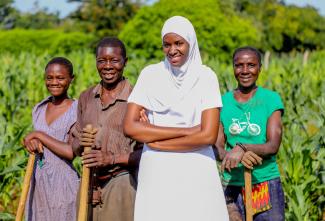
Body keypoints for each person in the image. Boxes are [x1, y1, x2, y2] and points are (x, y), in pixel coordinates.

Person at [123, 16, 229, 221]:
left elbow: (207, 136)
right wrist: (188, 130)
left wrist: (155, 140)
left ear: (191, 42)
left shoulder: (206, 77)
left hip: (197, 169)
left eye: (179, 43)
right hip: (157, 171)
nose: (172, 50)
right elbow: (129, 126)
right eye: (167, 44)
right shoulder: (150, 74)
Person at [71, 37, 142, 221]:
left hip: (122, 185)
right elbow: (75, 146)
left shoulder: (137, 99)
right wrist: (81, 142)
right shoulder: (86, 97)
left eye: (115, 60)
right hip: (88, 183)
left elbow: (148, 152)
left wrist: (110, 159)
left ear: (125, 62)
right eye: (102, 61)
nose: (108, 66)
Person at [216, 46, 285, 221]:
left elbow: (273, 145)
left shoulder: (270, 100)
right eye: (239, 65)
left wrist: (242, 148)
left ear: (260, 68)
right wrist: (234, 156)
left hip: (264, 183)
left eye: (251, 65)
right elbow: (216, 147)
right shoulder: (222, 102)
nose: (245, 70)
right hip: (231, 187)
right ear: (233, 68)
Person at [23, 57, 79, 221]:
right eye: (50, 78)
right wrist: (30, 141)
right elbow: (30, 140)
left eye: (60, 78)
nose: (54, 82)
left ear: (71, 79)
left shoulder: (76, 110)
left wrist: (39, 135)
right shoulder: (39, 108)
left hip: (62, 184)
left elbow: (70, 152)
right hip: (37, 181)